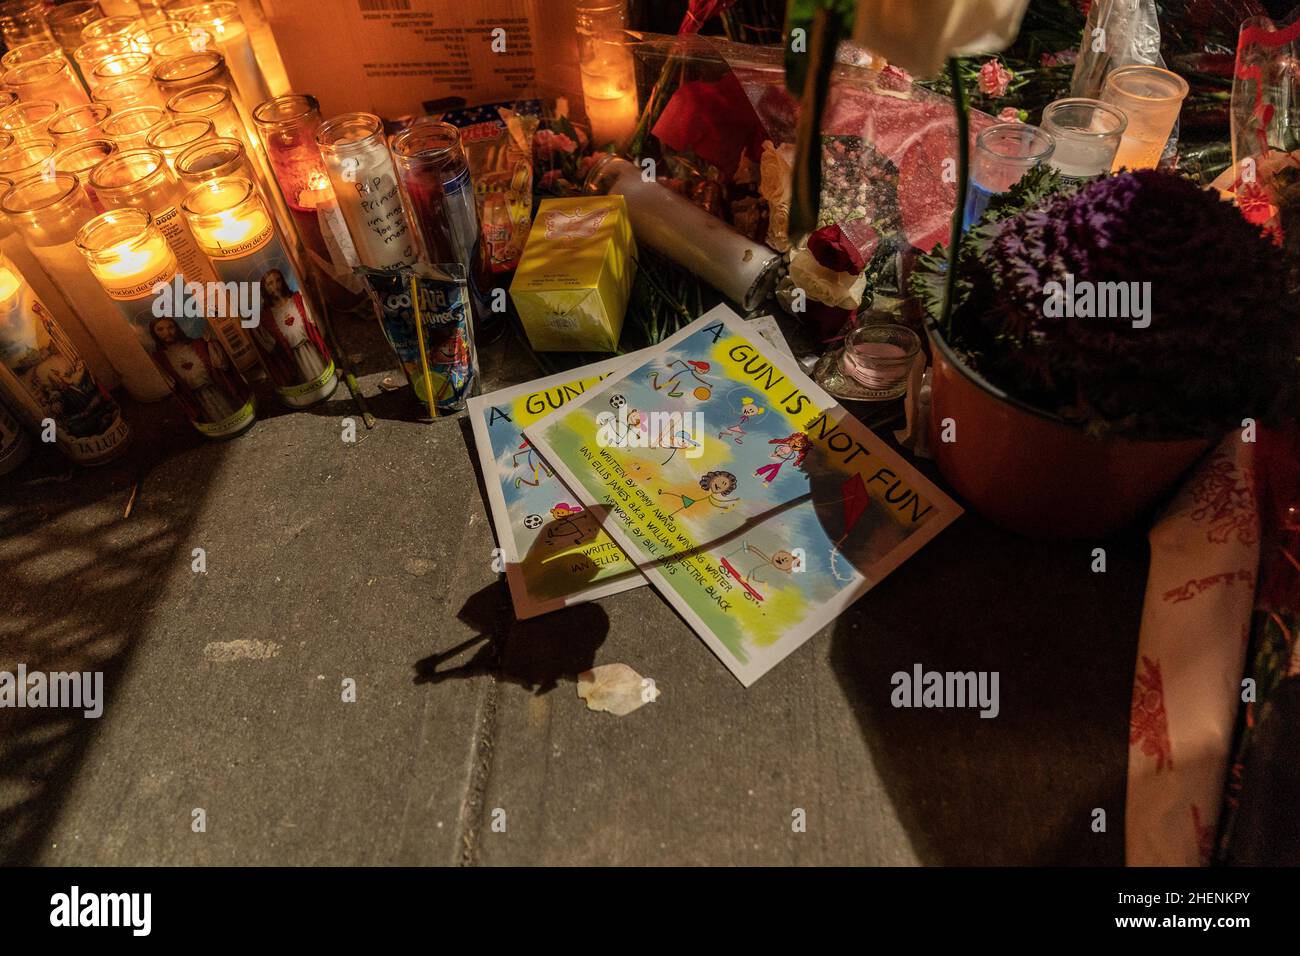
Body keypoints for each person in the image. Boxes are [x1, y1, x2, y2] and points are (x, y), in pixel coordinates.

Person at [148, 317, 245, 424]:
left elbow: (222, 365)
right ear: (154, 333)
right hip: (197, 400)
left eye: (171, 327)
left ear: (177, 328)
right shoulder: (161, 358)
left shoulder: (197, 344)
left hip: (217, 389)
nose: (167, 332)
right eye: (160, 329)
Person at [255, 269, 330, 385]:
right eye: (270, 284)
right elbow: (271, 347)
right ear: (264, 289)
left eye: (278, 280)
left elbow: (315, 323)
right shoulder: (266, 317)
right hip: (293, 358)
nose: (275, 286)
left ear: (283, 281)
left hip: (311, 348)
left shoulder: (298, 299)